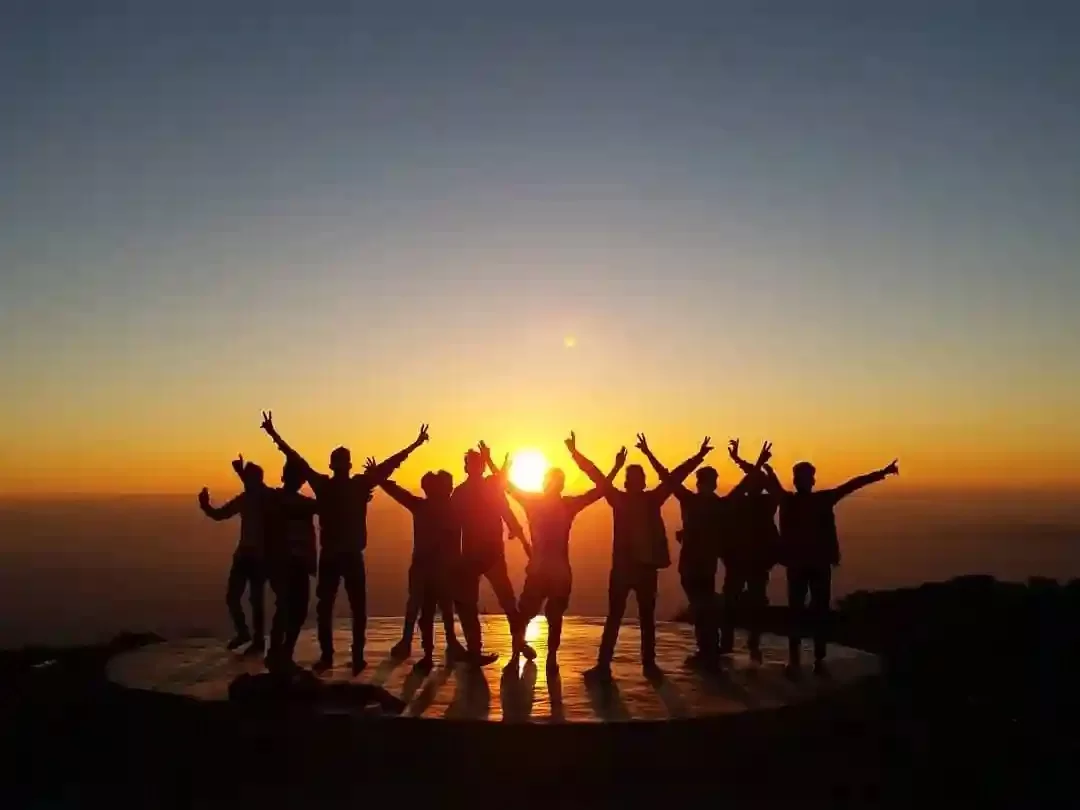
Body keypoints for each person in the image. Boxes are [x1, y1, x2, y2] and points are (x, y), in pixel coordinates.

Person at [260, 411, 430, 675]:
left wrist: (274, 435)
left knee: (330, 608)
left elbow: (298, 460)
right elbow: (389, 465)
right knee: (351, 608)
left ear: (334, 465)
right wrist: (415, 444)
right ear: (348, 465)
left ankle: (333, 656)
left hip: (336, 556)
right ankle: (352, 656)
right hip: (346, 556)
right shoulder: (357, 486)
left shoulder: (330, 486)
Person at [567, 432, 712, 682]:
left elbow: (597, 477)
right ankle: (645, 663)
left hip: (628, 569)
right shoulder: (649, 500)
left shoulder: (622, 500)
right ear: (641, 482)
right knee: (642, 617)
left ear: (627, 482)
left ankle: (608, 665)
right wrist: (697, 457)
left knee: (620, 617)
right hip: (640, 569)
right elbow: (674, 476)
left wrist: (575, 453)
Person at [637, 436, 769, 669]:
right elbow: (744, 487)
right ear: (712, 483)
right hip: (702, 565)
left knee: (701, 606)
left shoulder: (691, 500)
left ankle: (708, 650)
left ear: (699, 483)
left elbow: (670, 477)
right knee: (703, 605)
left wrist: (650, 454)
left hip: (693, 566)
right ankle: (709, 648)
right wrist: (757, 464)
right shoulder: (717, 504)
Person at [762, 457, 900, 677]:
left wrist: (765, 467)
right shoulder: (822, 499)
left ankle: (797, 660)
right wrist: (881, 472)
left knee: (797, 612)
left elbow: (772, 485)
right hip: (817, 564)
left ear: (796, 481)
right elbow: (852, 484)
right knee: (818, 611)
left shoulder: (789, 501)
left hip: (800, 565)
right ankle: (817, 659)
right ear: (811, 481)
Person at [501, 444, 628, 673]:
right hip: (553, 570)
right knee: (549, 615)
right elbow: (597, 492)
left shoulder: (538, 503)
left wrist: (500, 469)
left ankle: (529, 655)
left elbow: (508, 487)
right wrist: (616, 467)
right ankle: (541, 656)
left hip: (546, 570)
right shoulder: (563, 504)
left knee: (535, 614)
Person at [373, 465, 494, 669]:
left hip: (431, 568)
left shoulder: (425, 507)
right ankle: (440, 648)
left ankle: (426, 650)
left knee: (426, 610)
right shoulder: (452, 510)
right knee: (438, 609)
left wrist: (380, 477)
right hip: (440, 569)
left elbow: (398, 493)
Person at [451, 443, 533, 667]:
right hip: (477, 556)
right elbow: (454, 526)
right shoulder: (466, 492)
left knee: (500, 602)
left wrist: (518, 533)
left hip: (485, 554)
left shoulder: (468, 491)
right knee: (497, 602)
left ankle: (513, 644)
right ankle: (488, 648)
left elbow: (504, 508)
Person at [198, 459, 268, 655]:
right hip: (247, 555)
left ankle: (255, 638)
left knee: (252, 599)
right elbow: (220, 514)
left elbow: (220, 514)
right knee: (236, 598)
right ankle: (248, 634)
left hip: (256, 557)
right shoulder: (249, 498)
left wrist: (206, 506)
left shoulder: (261, 498)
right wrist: (206, 506)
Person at [722, 439, 783, 663]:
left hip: (747, 560)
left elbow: (749, 484)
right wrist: (751, 463)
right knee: (747, 601)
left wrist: (747, 463)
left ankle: (732, 643)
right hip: (748, 560)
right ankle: (747, 644)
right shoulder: (767, 502)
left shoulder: (743, 502)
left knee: (737, 600)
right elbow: (760, 484)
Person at [261, 458, 318, 674]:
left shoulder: (303, 503)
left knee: (296, 610)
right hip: (283, 563)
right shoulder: (277, 500)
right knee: (287, 609)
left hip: (298, 563)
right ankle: (278, 654)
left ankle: (283, 654)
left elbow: (328, 504)